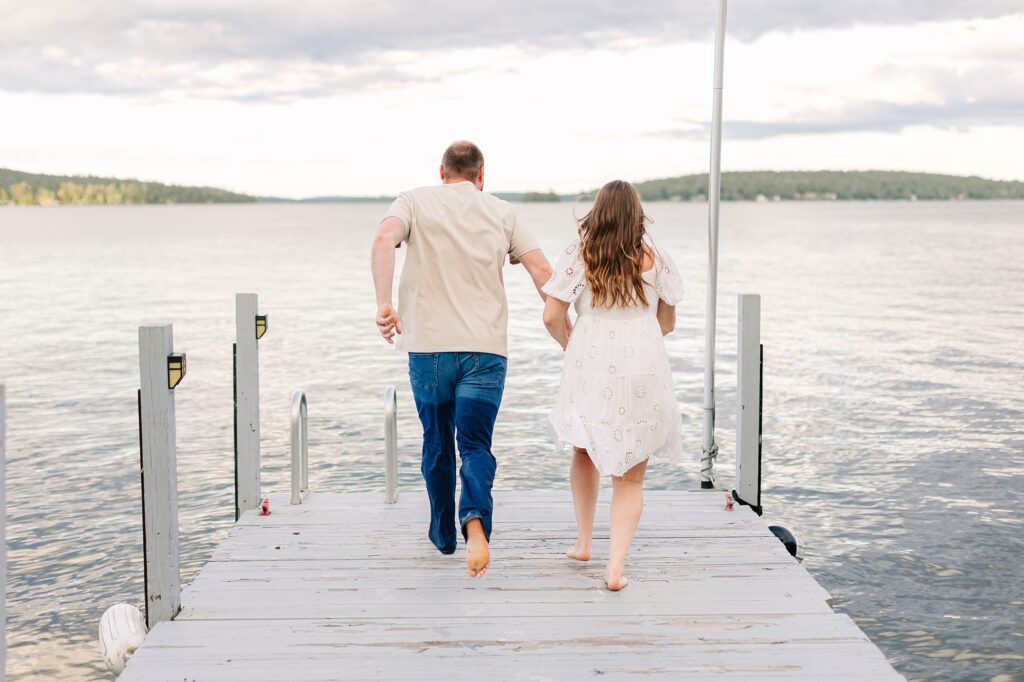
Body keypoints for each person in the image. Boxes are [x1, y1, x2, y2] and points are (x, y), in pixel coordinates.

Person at [371, 140, 557, 578]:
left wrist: (384, 304)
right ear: (481, 175)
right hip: (485, 349)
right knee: (474, 445)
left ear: (441, 171)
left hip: (429, 347)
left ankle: (442, 533)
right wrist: (565, 327)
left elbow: (383, 238)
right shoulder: (503, 212)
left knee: (437, 441)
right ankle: (474, 521)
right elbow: (543, 271)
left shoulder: (412, 201)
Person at [541, 180, 685, 591]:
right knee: (632, 476)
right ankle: (615, 568)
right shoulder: (658, 259)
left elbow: (552, 315)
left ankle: (585, 542)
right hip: (643, 363)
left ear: (598, 212)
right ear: (637, 215)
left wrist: (573, 345)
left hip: (591, 360)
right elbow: (668, 323)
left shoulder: (580, 253)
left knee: (584, 447)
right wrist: (637, 338)